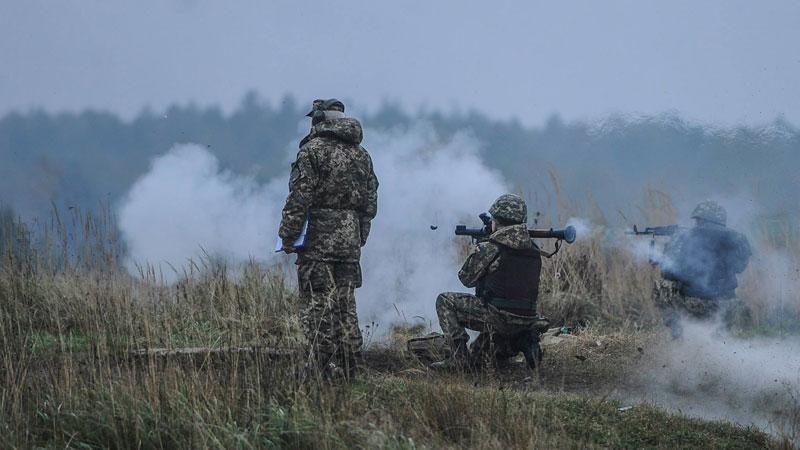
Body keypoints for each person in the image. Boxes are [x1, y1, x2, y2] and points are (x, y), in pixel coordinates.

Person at [278, 98, 378, 378]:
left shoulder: (312, 152)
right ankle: (351, 368)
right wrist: (360, 235)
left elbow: (300, 197)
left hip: (318, 240)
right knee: (346, 305)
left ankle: (320, 370)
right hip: (350, 241)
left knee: (317, 305)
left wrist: (288, 235)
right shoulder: (362, 154)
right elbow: (370, 202)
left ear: (319, 119)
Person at [432, 194, 546, 370]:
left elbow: (466, 279)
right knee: (479, 357)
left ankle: (458, 359)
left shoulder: (491, 247)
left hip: (499, 317)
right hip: (527, 319)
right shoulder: (533, 248)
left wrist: (479, 250)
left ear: (497, 221)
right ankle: (522, 342)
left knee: (445, 301)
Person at [655, 200, 751, 338]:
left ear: (703, 219)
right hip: (727, 304)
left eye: (698, 220)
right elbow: (740, 268)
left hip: (693, 302)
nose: (696, 224)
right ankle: (719, 334)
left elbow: (669, 273)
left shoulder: (685, 236)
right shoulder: (735, 238)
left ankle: (678, 332)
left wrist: (665, 252)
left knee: (662, 286)